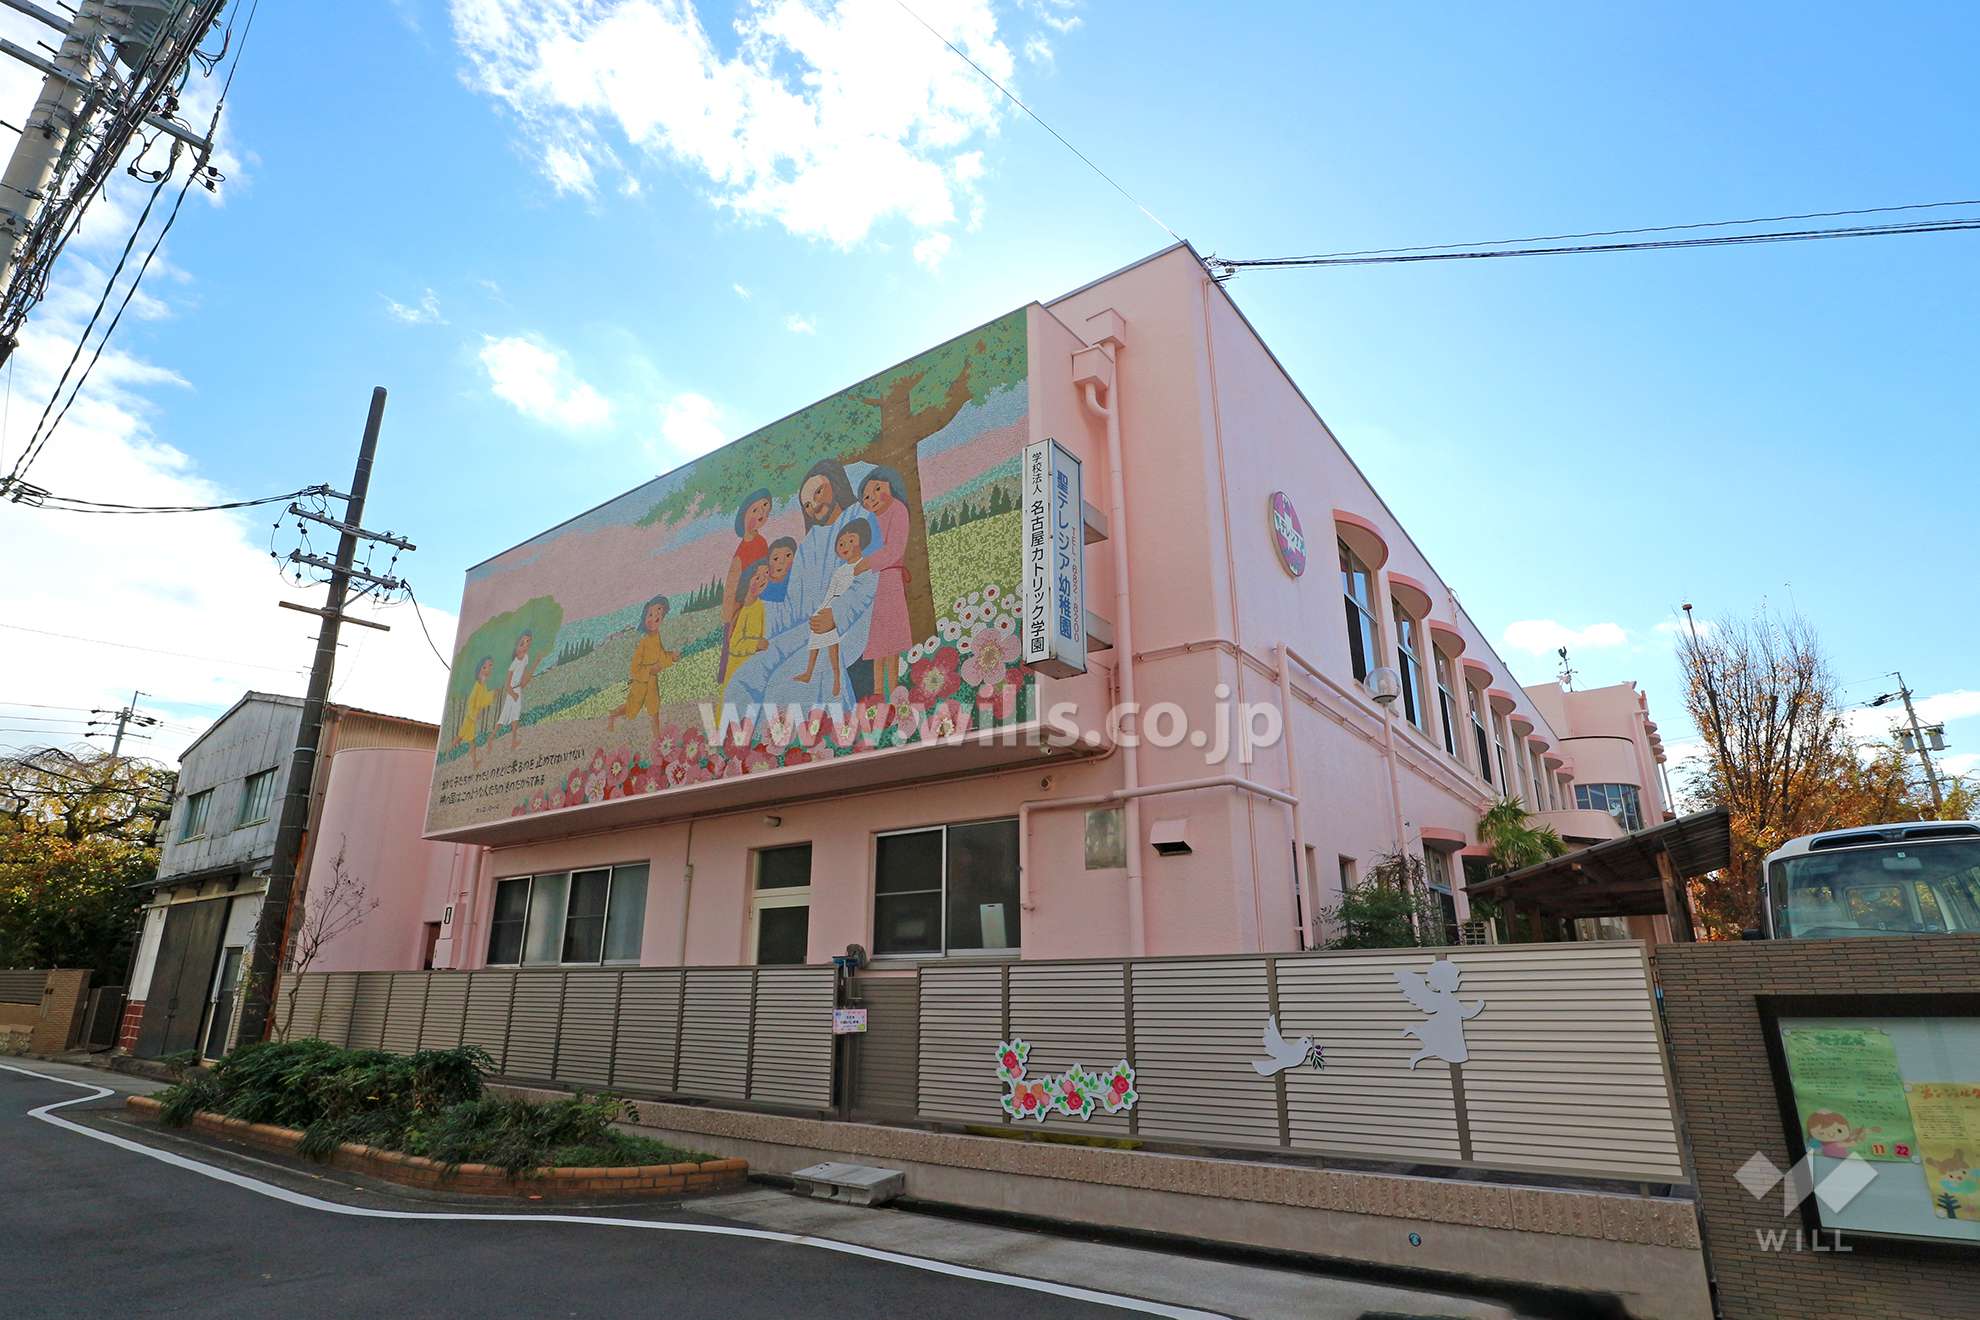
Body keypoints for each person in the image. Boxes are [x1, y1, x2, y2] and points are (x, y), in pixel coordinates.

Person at [721, 459, 880, 727]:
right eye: (806, 504)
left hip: (850, 624)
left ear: (835, 484)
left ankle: (793, 740)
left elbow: (870, 578)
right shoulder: (809, 544)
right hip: (808, 628)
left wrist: (836, 614)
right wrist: (761, 610)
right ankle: (742, 743)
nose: (814, 505)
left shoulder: (862, 518)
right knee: (745, 678)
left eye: (818, 492)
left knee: (784, 685)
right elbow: (795, 605)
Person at [794, 521, 870, 696]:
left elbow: (857, 592)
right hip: (831, 603)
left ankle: (836, 678)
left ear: (862, 541)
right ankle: (808, 672)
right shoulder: (839, 571)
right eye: (841, 544)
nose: (845, 546)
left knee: (832, 643)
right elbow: (830, 593)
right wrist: (820, 610)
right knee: (816, 632)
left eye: (851, 541)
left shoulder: (863, 565)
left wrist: (836, 612)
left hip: (843, 608)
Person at [855, 466, 912, 695]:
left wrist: (866, 563)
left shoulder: (898, 510)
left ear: (891, 485)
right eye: (867, 497)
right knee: (877, 639)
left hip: (890, 579)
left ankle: (894, 688)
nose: (873, 498)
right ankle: (879, 692)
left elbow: (895, 549)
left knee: (892, 638)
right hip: (871, 584)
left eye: (877, 489)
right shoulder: (869, 520)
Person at [717, 488, 773, 680]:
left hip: (756, 604)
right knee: (737, 651)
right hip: (739, 608)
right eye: (755, 509)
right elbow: (730, 590)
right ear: (743, 514)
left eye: (765, 508)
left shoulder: (762, 542)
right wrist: (730, 618)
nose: (761, 513)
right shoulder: (739, 554)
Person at [609, 596, 677, 739]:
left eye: (658, 618)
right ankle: (613, 715)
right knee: (631, 708)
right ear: (644, 615)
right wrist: (649, 670)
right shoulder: (643, 641)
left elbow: (661, 656)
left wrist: (671, 657)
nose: (653, 620)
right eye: (650, 615)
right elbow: (634, 669)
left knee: (654, 710)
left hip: (652, 683)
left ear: (662, 620)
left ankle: (657, 738)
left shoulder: (656, 637)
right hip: (640, 683)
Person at [720, 559, 772, 699]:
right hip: (735, 670)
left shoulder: (759, 606)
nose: (762, 580)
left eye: (766, 574)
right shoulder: (741, 608)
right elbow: (733, 645)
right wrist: (756, 644)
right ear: (748, 579)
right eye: (757, 576)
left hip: (750, 670)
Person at [496, 632, 535, 752]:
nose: (526, 645)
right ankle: (492, 738)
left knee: (514, 716)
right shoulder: (514, 664)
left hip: (517, 690)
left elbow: (523, 676)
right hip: (512, 692)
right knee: (505, 716)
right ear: (517, 647)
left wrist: (523, 684)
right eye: (523, 643)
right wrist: (514, 695)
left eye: (528, 642)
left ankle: (513, 741)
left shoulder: (526, 658)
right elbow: (507, 685)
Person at [455, 657, 496, 768]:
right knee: (460, 738)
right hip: (469, 719)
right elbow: (473, 702)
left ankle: (474, 763)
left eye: (490, 666)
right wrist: (474, 715)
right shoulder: (478, 686)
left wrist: (492, 694)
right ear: (479, 671)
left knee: (469, 741)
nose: (488, 669)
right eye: (485, 667)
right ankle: (448, 752)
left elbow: (483, 700)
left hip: (471, 720)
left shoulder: (482, 685)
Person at [760, 536, 797, 604]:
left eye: (788, 555)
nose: (782, 562)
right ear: (768, 561)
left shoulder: (795, 579)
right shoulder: (761, 583)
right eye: (776, 558)